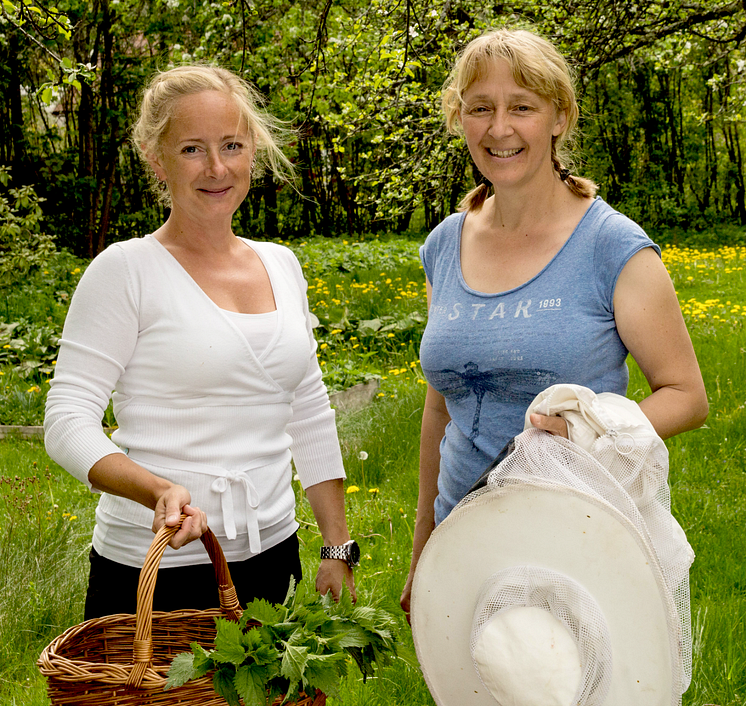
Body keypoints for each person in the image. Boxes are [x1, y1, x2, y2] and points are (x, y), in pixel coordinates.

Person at [400, 28, 708, 617]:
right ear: (459, 119)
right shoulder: (444, 244)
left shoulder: (612, 246)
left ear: (559, 116)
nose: (500, 128)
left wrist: (591, 431)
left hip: (578, 540)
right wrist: (424, 543)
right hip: (464, 538)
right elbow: (440, 407)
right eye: (480, 108)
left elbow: (687, 396)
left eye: (522, 106)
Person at [44, 65, 357, 620]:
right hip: (155, 569)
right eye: (192, 148)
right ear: (155, 157)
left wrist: (335, 547)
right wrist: (157, 490)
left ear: (252, 152)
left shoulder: (281, 264)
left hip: (273, 558)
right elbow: (67, 422)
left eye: (231, 145)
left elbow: (308, 411)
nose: (217, 168)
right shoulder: (125, 271)